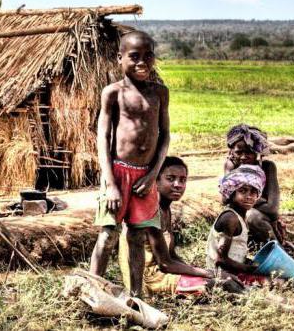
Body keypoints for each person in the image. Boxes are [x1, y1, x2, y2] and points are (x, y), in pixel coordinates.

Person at [89, 30, 171, 297]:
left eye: (148, 56)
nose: (142, 63)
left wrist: (153, 176)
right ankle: (92, 290)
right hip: (118, 173)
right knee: (109, 234)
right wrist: (111, 183)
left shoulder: (160, 93)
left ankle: (135, 296)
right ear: (119, 58)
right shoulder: (113, 93)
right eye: (134, 56)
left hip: (145, 176)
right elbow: (103, 136)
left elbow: (164, 135)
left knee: (137, 236)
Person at [118, 157, 218, 295]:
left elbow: (171, 255)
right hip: (150, 280)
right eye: (170, 179)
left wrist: (193, 269)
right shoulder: (150, 211)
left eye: (182, 180)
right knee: (214, 284)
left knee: (221, 280)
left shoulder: (165, 209)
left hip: (162, 273)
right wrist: (203, 273)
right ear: (155, 181)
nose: (178, 185)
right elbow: (165, 263)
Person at [206, 165, 269, 285]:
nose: (249, 196)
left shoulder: (242, 216)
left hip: (234, 270)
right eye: (243, 191)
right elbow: (220, 260)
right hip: (223, 274)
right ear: (232, 193)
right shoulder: (230, 218)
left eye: (253, 191)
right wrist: (247, 268)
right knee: (281, 282)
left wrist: (249, 263)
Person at [224, 124, 283, 244]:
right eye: (238, 152)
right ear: (231, 152)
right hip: (239, 217)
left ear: (257, 152)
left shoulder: (268, 167)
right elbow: (225, 199)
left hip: (262, 217)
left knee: (252, 216)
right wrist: (261, 200)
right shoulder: (231, 166)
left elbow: (273, 209)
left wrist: (241, 200)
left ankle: (278, 252)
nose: (243, 157)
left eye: (249, 152)